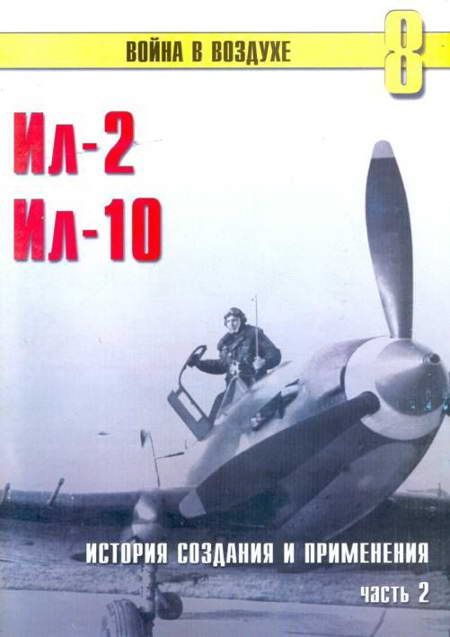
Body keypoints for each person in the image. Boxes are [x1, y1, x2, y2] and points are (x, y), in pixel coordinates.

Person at [187, 307, 282, 422]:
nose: (231, 324)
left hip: (255, 385)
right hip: (235, 390)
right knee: (219, 402)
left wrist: (264, 362)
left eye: (234, 320)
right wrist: (199, 363)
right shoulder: (226, 344)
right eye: (228, 321)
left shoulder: (254, 334)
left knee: (262, 417)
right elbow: (222, 365)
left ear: (241, 320)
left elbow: (274, 353)